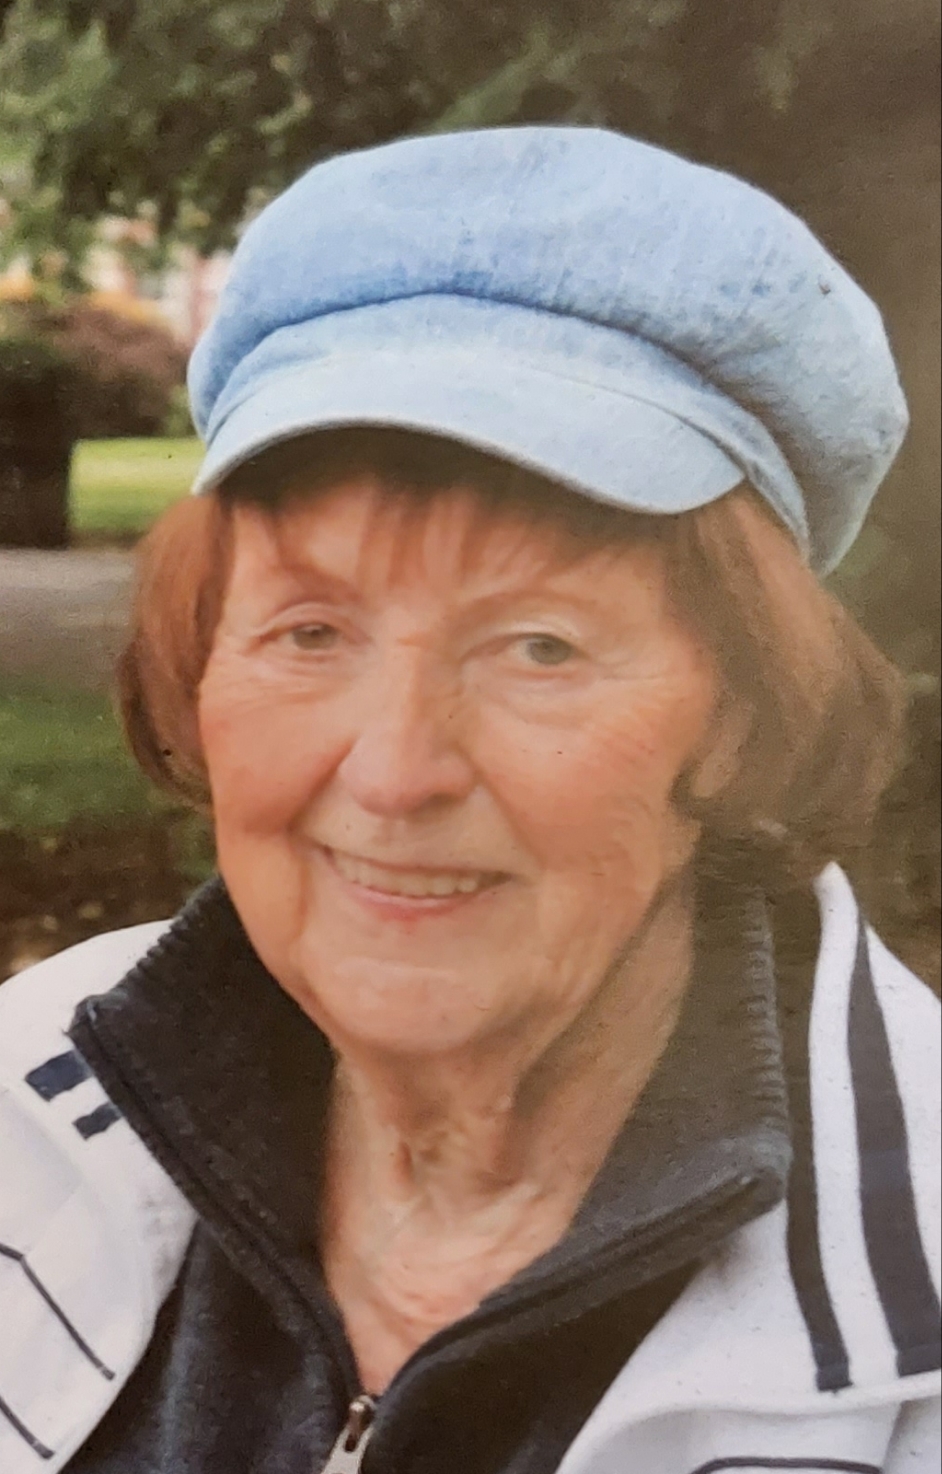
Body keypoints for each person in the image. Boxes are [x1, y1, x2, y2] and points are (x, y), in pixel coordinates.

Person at [1, 127, 938, 1474]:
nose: (394, 771)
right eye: (310, 632)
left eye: (539, 647)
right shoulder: (27, 1096)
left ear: (737, 713)